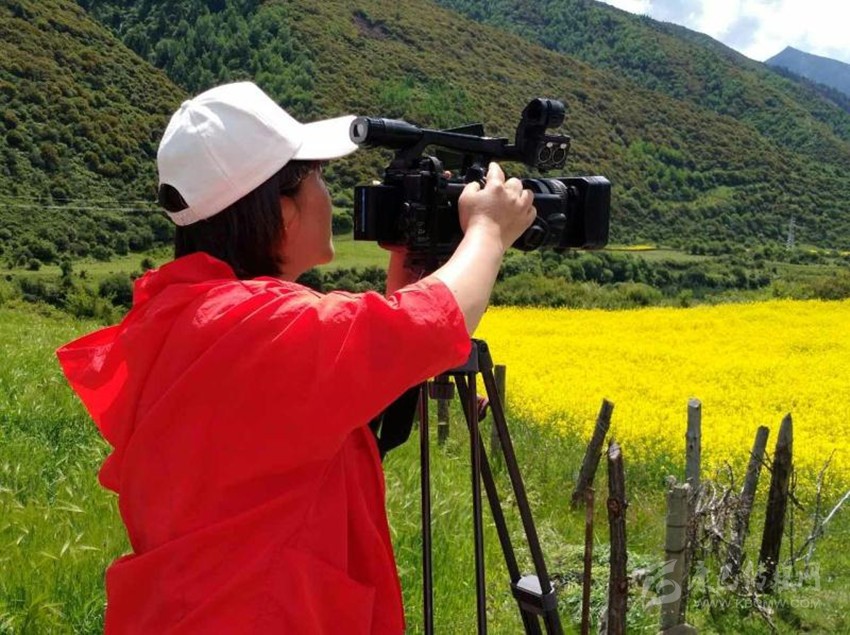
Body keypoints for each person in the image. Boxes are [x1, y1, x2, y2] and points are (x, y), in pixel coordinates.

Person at [57, 82, 534, 634]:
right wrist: (489, 231)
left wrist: (411, 269)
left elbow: (327, 394)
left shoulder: (183, 318)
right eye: (318, 178)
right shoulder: (259, 328)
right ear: (283, 213)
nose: (330, 196)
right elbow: (431, 323)